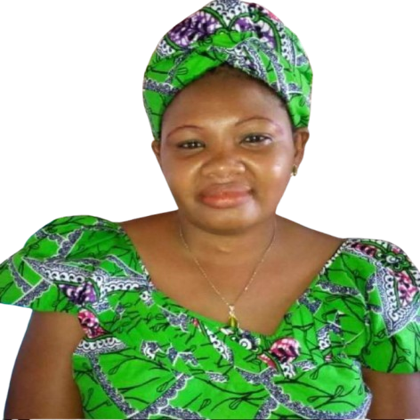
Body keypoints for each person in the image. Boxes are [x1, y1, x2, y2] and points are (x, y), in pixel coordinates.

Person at [2, 0, 419, 419]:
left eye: (253, 138)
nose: (221, 165)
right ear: (159, 155)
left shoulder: (370, 282)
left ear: (298, 147)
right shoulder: (87, 268)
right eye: (191, 143)